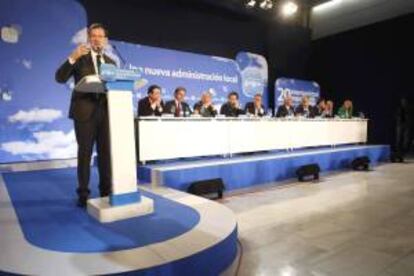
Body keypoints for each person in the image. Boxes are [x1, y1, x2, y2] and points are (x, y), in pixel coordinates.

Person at [55, 23, 116, 207]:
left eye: (100, 36)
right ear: (89, 38)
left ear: (105, 40)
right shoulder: (80, 58)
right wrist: (72, 57)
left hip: (105, 112)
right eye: (94, 35)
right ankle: (83, 193)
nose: (97, 38)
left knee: (106, 154)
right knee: (85, 154)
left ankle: (106, 190)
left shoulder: (111, 63)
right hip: (84, 112)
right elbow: (59, 78)